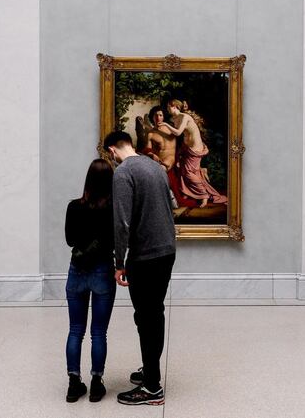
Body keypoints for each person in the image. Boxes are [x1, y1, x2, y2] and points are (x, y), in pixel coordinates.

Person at [103, 131, 176, 406]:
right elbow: (172, 204)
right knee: (154, 314)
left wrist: (118, 263)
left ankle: (152, 388)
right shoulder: (154, 167)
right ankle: (150, 370)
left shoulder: (123, 173)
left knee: (146, 317)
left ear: (112, 150)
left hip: (145, 256)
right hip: (166, 250)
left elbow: (121, 222)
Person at [63, 159, 117, 403]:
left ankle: (74, 383)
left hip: (77, 271)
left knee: (75, 330)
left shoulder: (74, 207)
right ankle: (97, 383)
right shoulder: (113, 209)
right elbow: (115, 241)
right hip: (103, 271)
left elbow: (70, 240)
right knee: (98, 332)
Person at [158, 99, 227, 208]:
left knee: (189, 173)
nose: (167, 109)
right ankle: (189, 192)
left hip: (195, 148)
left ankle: (204, 196)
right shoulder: (175, 118)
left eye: (168, 107)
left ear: (175, 106)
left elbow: (178, 132)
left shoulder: (185, 117)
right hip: (186, 147)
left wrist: (166, 124)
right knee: (182, 170)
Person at [141, 106, 177, 171]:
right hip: (161, 165)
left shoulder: (172, 129)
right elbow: (148, 150)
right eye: (156, 115)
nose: (158, 118)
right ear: (152, 117)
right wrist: (152, 154)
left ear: (164, 117)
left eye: (160, 115)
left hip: (174, 164)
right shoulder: (150, 134)